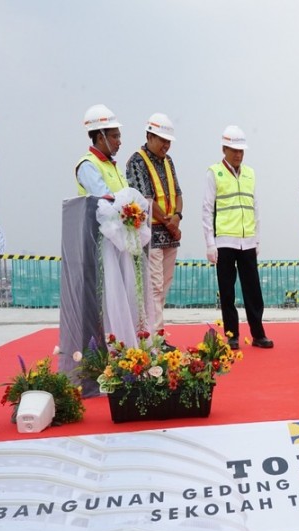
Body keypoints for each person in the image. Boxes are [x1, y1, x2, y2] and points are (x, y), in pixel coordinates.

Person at [76, 104, 153, 348]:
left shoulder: (113, 166)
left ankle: (132, 344)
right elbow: (106, 199)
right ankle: (113, 348)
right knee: (111, 301)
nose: (119, 141)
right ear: (100, 137)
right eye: (115, 136)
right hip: (103, 247)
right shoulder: (87, 165)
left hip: (122, 244)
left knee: (130, 296)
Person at [202, 125, 273, 351]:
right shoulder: (214, 172)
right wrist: (210, 244)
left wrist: (257, 239)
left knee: (253, 291)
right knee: (228, 292)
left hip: (248, 241)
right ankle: (232, 336)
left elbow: (256, 208)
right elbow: (207, 210)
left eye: (241, 150)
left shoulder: (250, 173)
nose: (238, 154)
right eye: (234, 150)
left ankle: (258, 334)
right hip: (225, 241)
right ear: (224, 149)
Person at [125, 113, 183, 331]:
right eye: (162, 140)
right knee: (154, 288)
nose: (166, 145)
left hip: (170, 234)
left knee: (164, 286)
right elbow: (146, 199)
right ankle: (154, 337)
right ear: (149, 136)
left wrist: (177, 217)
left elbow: (178, 192)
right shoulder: (137, 162)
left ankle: (155, 333)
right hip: (151, 234)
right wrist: (170, 224)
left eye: (168, 141)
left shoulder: (168, 161)